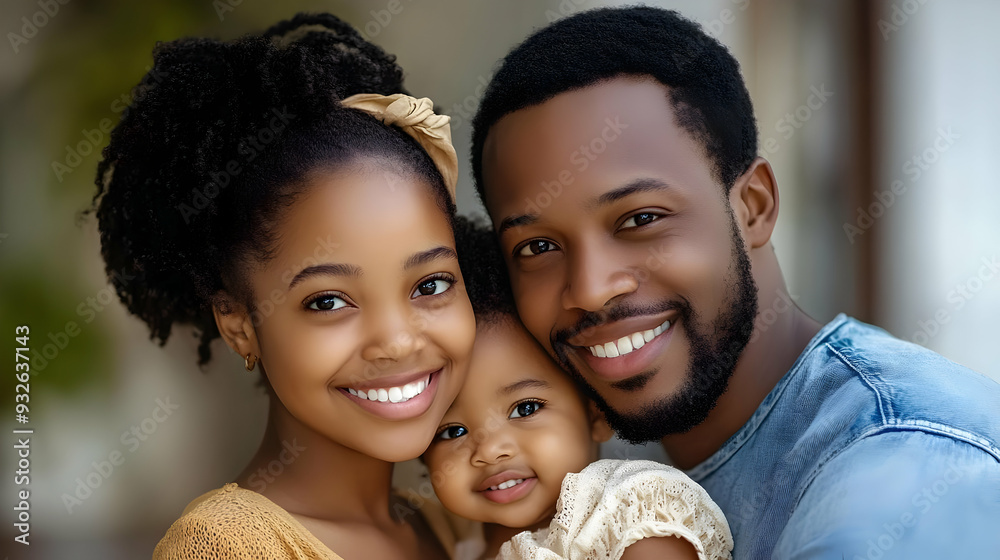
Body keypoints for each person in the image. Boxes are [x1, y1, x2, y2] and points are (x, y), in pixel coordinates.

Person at [468, 6, 1000, 558]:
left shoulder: (905, 465)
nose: (591, 288)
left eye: (641, 219)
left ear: (753, 206)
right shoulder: (606, 481)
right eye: (538, 248)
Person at [90, 13, 475, 559]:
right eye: (328, 301)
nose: (397, 340)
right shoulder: (227, 546)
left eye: (431, 284)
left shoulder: (448, 525)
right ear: (239, 326)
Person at [421, 219, 733, 560]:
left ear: (595, 409)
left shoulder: (629, 514)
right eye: (453, 431)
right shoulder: (452, 546)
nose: (491, 450)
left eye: (525, 409)